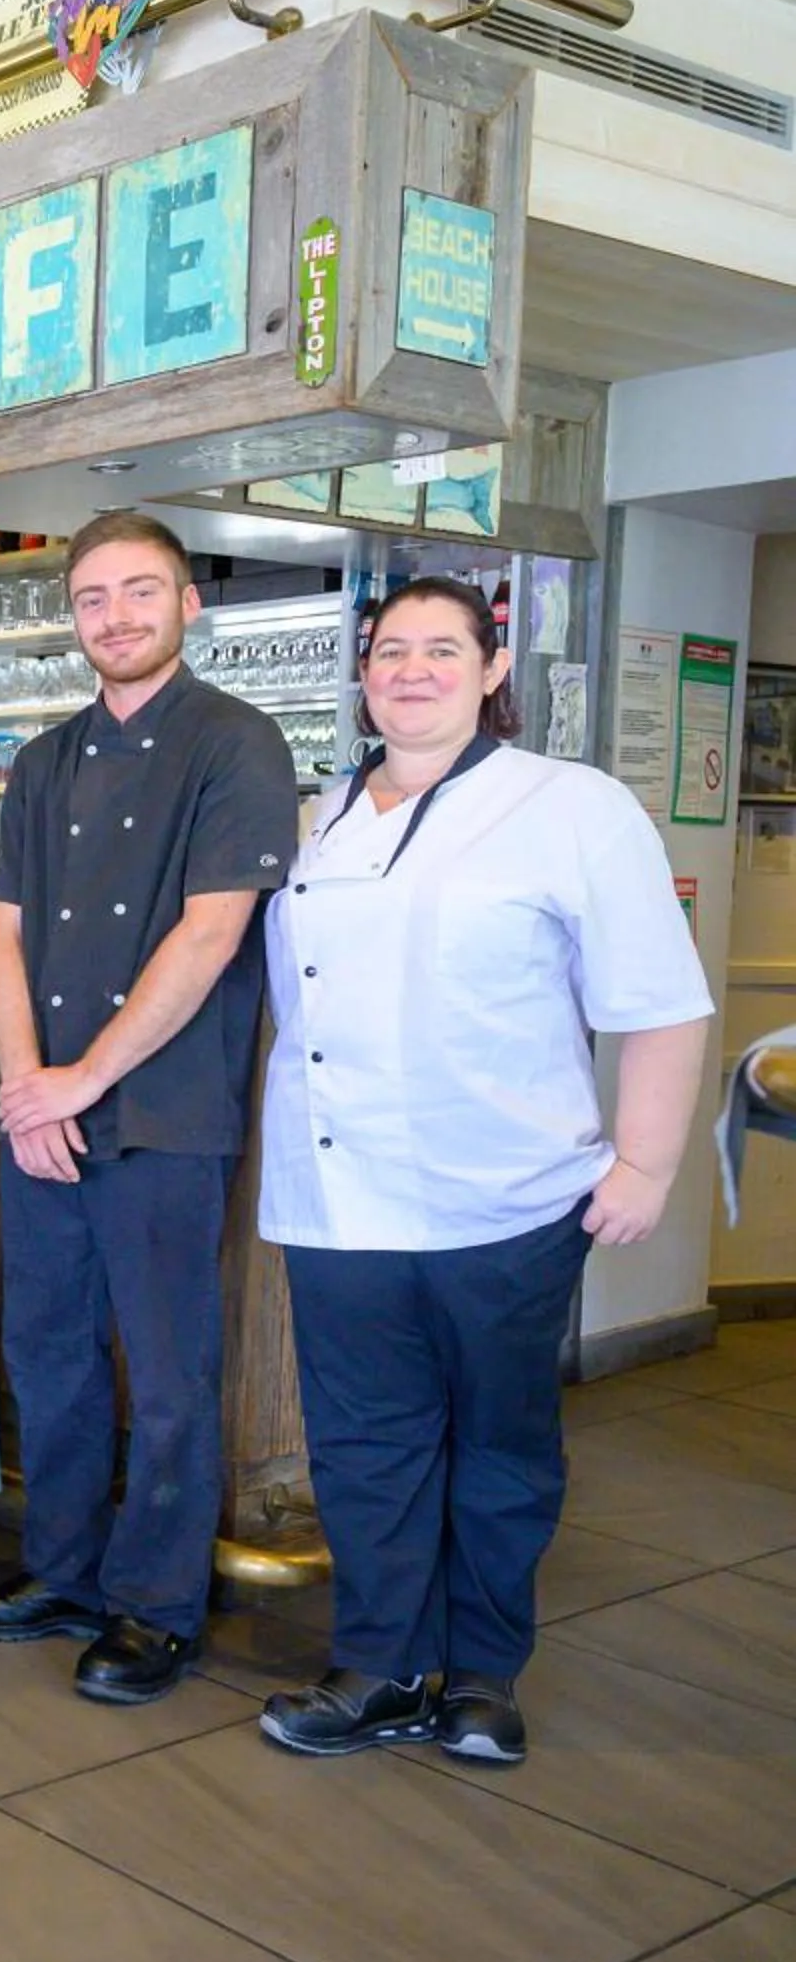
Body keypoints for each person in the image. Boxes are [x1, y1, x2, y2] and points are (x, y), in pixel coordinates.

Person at [253, 577, 711, 1766]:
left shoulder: (572, 806)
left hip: (505, 1194)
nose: (411, 669)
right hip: (337, 1195)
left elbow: (658, 1003)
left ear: (492, 668)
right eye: (389, 650)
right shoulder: (319, 814)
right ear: (362, 673)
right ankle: (380, 1663)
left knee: (500, 1446)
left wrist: (646, 1163)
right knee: (364, 1446)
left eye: (441, 650)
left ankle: (486, 1673)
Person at [0, 510, 295, 1707]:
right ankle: (63, 1572)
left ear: (188, 604)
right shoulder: (43, 764)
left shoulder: (237, 744)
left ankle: (155, 1608)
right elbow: (7, 937)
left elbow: (211, 935)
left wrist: (78, 1080)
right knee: (47, 1356)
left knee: (170, 1367)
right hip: (49, 1111)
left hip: (165, 1111)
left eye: (140, 592)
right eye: (93, 599)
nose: (117, 617)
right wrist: (27, 1090)